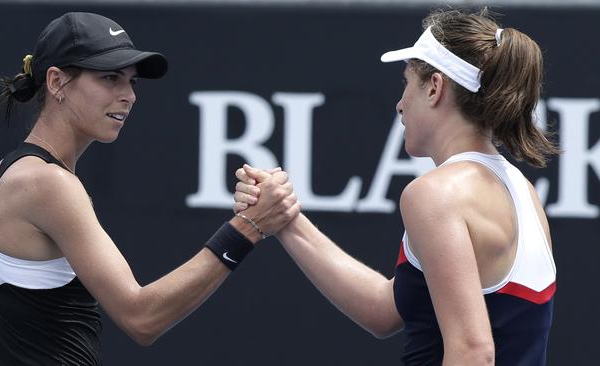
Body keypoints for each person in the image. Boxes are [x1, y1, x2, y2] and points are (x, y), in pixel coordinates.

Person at [233, 8, 558, 366]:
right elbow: (384, 310)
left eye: (407, 83)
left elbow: (473, 352)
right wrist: (285, 219)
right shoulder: (523, 191)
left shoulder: (436, 194)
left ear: (435, 87)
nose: (400, 104)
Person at [0, 12, 300, 365]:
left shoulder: (8, 172)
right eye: (110, 78)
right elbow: (142, 317)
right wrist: (247, 228)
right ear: (56, 82)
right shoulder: (47, 183)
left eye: (131, 82)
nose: (128, 95)